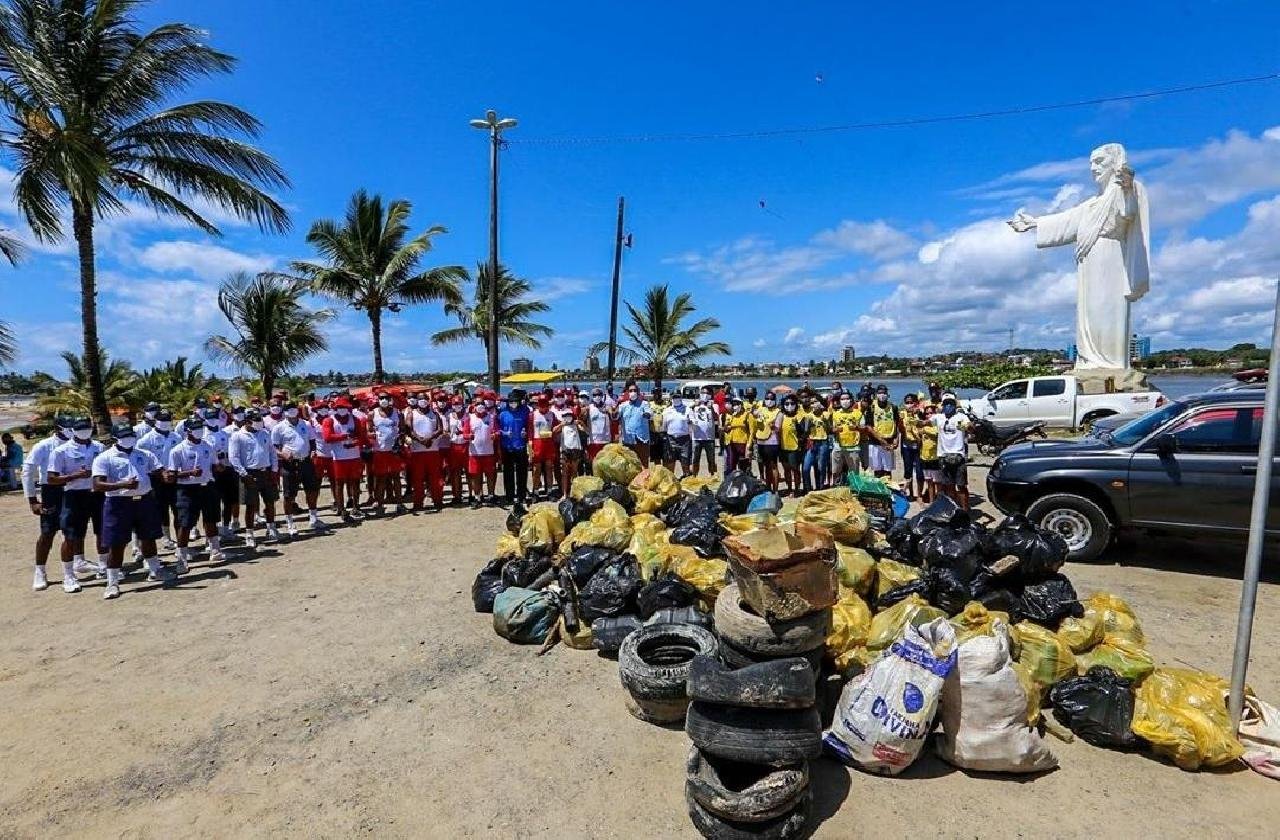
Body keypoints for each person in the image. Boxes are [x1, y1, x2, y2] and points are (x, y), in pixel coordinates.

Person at [93, 422, 171, 598]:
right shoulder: (105, 458)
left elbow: (158, 470)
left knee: (148, 538)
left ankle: (155, 571)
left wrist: (165, 475)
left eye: (130, 436)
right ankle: (112, 582)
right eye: (124, 436)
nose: (128, 439)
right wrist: (122, 485)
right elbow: (97, 484)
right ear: (115, 438)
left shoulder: (144, 454)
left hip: (144, 501)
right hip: (118, 504)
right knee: (117, 543)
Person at [46, 418, 106, 592]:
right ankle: (69, 575)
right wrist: (75, 476)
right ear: (73, 430)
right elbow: (52, 478)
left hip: (97, 494)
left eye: (87, 428)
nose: (85, 431)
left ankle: (103, 567)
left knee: (102, 531)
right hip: (74, 495)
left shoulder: (99, 447)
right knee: (71, 536)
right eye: (80, 429)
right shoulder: (61, 451)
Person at [23, 417, 73, 591]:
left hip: (73, 490)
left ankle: (68, 573)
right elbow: (27, 472)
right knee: (47, 534)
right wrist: (32, 500)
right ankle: (40, 571)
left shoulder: (78, 444)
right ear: (58, 428)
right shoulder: (43, 446)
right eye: (68, 427)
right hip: (51, 491)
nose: (72, 430)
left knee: (71, 534)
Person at [166, 417, 221, 571]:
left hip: (207, 487)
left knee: (211, 518)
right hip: (187, 490)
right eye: (196, 428)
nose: (200, 430)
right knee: (185, 524)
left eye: (201, 428)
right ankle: (182, 557)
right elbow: (171, 475)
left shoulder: (208, 446)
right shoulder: (177, 450)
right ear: (188, 430)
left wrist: (218, 468)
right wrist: (190, 473)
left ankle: (215, 549)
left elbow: (214, 464)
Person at [272, 400, 327, 533]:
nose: (292, 410)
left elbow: (312, 441)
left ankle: (313, 518)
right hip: (289, 464)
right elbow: (273, 448)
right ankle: (290, 523)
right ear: (284, 411)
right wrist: (283, 454)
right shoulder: (279, 428)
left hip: (306, 462)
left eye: (294, 408)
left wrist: (313, 451)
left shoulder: (306, 424)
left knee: (312, 490)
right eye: (289, 408)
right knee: (289, 495)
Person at [229, 409, 280, 548]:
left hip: (266, 472)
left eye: (260, 420)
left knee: (270, 502)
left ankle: (271, 528)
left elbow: (272, 452)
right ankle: (250, 534)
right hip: (249, 474)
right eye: (256, 421)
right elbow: (234, 457)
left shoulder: (264, 433)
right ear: (247, 421)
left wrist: (274, 470)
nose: (259, 423)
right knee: (251, 505)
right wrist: (244, 474)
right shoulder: (238, 436)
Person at [137, 408, 181, 550]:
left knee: (178, 510)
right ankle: (166, 538)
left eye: (168, 420)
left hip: (175, 478)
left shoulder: (176, 437)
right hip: (156, 479)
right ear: (156, 421)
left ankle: (181, 541)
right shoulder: (146, 440)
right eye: (162, 420)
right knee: (161, 510)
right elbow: (141, 461)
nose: (165, 423)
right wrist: (158, 473)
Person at [322, 397, 368, 522]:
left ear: (349, 408)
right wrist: (343, 437)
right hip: (338, 457)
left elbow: (362, 437)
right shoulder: (329, 420)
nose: (342, 410)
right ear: (335, 409)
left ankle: (356, 506)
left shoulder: (355, 420)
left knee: (355, 482)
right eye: (339, 408)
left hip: (354, 455)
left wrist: (354, 443)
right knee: (339, 483)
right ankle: (341, 508)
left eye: (345, 408)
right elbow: (327, 437)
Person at [406, 390, 447, 512]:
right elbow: (409, 429)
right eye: (420, 399)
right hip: (417, 451)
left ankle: (438, 501)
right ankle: (418, 503)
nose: (422, 401)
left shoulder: (435, 414)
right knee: (417, 479)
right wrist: (420, 440)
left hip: (433, 450)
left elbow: (440, 429)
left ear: (428, 401)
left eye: (424, 399)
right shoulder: (411, 414)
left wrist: (431, 438)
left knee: (435, 478)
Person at [203, 407, 240, 541]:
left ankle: (226, 528)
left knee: (229, 501)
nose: (213, 420)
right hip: (212, 472)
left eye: (215, 417)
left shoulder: (224, 433)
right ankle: (214, 531)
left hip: (227, 469)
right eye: (210, 418)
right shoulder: (203, 435)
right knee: (213, 503)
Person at [368, 393, 405, 516]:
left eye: (386, 398)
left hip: (394, 451)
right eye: (381, 398)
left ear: (391, 400)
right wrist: (371, 435)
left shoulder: (397, 413)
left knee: (396, 477)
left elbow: (403, 430)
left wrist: (400, 441)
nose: (384, 400)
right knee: (381, 479)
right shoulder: (372, 414)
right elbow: (368, 431)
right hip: (380, 451)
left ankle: (400, 504)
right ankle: (379, 504)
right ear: (378, 400)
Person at [933, 397, 970, 509]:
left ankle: (965, 510)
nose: (948, 407)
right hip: (944, 457)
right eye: (946, 405)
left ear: (955, 407)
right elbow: (924, 422)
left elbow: (970, 426)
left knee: (961, 485)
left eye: (951, 404)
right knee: (949, 485)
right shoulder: (939, 417)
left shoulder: (961, 417)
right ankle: (954, 509)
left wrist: (967, 426)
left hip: (959, 456)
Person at [462, 400, 499, 508]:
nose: (480, 406)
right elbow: (464, 434)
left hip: (489, 452)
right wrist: (469, 436)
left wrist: (495, 435)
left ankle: (491, 496)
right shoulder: (470, 418)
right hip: (474, 453)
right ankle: (477, 497)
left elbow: (497, 431)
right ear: (474, 406)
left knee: (490, 475)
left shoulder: (491, 417)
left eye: (482, 404)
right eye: (478, 404)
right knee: (476, 476)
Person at [497, 392, 530, 508]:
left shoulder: (525, 411)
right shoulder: (502, 413)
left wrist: (525, 433)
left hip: (520, 446)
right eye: (511, 402)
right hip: (507, 446)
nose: (513, 404)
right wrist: (504, 433)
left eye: (515, 401)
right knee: (508, 473)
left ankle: (521, 495)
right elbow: (497, 429)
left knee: (522, 472)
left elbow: (529, 426)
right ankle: (509, 496)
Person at [866, 385, 900, 479]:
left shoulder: (893, 407)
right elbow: (869, 426)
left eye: (884, 393)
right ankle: (879, 491)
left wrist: (896, 439)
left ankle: (888, 490)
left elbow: (897, 424)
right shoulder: (871, 407)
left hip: (889, 443)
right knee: (877, 470)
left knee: (888, 471)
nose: (882, 395)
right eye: (880, 393)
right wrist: (881, 440)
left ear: (887, 394)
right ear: (876, 394)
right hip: (875, 443)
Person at [528, 395, 559, 500]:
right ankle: (535, 491)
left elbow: (555, 428)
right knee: (536, 469)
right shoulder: (533, 415)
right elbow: (530, 431)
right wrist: (530, 447)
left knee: (549, 468)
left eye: (544, 404)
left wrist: (556, 429)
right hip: (537, 443)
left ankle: (549, 491)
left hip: (549, 442)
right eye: (540, 404)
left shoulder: (552, 415)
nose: (542, 406)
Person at [776, 394, 807, 496]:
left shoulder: (799, 417)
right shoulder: (781, 416)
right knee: (786, 469)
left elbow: (803, 432)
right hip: (783, 447)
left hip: (795, 448)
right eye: (787, 404)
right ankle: (789, 488)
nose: (789, 405)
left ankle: (797, 489)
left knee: (795, 469)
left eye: (792, 403)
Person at [554, 401, 586, 497]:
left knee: (574, 472)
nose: (568, 417)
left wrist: (581, 423)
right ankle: (564, 493)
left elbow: (585, 430)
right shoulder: (562, 425)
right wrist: (561, 425)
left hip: (575, 449)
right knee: (565, 473)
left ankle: (574, 492)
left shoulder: (576, 424)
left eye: (570, 415)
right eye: (566, 415)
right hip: (565, 450)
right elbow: (554, 431)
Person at [830, 391, 862, 485]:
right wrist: (834, 430)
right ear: (839, 401)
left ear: (851, 400)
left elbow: (864, 429)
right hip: (838, 446)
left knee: (854, 472)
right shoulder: (835, 414)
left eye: (847, 399)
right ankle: (836, 487)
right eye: (843, 399)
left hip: (853, 447)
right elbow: (831, 428)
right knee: (836, 470)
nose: (845, 401)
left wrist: (857, 428)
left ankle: (854, 489)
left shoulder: (858, 413)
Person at [752, 392, 781, 492]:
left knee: (773, 465)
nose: (769, 401)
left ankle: (776, 489)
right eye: (767, 398)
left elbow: (778, 429)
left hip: (772, 442)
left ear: (774, 400)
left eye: (771, 399)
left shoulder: (778, 412)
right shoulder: (761, 409)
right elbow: (754, 414)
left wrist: (774, 427)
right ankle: (768, 487)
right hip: (761, 442)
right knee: (766, 465)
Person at [617, 386, 652, 467]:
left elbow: (649, 414)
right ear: (627, 393)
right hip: (627, 440)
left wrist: (647, 414)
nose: (633, 392)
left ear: (638, 392)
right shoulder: (623, 406)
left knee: (644, 463)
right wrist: (614, 408)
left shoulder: (644, 404)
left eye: (635, 390)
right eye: (630, 390)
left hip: (642, 439)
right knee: (629, 465)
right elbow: (616, 416)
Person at [802, 394, 830, 493]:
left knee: (821, 467)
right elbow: (805, 432)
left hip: (823, 442)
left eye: (816, 402)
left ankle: (820, 487)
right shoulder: (808, 416)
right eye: (812, 403)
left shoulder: (826, 414)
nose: (814, 405)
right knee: (806, 467)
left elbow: (829, 429)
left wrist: (825, 420)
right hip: (812, 442)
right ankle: (808, 488)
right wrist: (809, 424)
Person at [661, 393, 693, 477]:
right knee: (670, 462)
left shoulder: (688, 410)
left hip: (684, 439)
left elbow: (693, 423)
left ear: (681, 397)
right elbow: (664, 427)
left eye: (677, 397)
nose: (676, 398)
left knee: (685, 462)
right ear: (671, 398)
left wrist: (691, 422)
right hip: (671, 439)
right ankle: (671, 481)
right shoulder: (666, 411)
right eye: (674, 397)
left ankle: (686, 480)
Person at [899, 394, 924, 501]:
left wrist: (918, 414)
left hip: (918, 446)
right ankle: (911, 493)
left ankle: (919, 495)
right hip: (906, 445)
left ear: (916, 403)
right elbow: (898, 427)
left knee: (919, 472)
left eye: (911, 402)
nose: (909, 405)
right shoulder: (902, 414)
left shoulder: (920, 414)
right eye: (907, 402)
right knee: (908, 470)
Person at [689, 390, 719, 477]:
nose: (704, 395)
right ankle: (694, 476)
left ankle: (713, 475)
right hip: (697, 437)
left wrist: (711, 408)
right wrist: (694, 405)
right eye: (702, 393)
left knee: (711, 459)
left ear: (710, 395)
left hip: (709, 437)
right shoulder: (694, 405)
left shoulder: (714, 405)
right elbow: (689, 417)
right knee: (695, 459)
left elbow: (716, 418)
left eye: (706, 393)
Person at [721, 397, 752, 473]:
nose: (735, 406)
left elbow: (751, 431)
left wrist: (749, 445)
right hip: (732, 444)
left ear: (741, 405)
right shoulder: (732, 416)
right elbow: (726, 429)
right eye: (733, 404)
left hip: (743, 443)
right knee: (731, 466)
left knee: (743, 467)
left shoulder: (747, 415)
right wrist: (726, 427)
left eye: (737, 404)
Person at [918, 403, 940, 504]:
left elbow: (935, 433)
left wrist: (924, 429)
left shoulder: (937, 424)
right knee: (929, 482)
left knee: (937, 482)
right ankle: (932, 502)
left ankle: (940, 502)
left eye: (931, 413)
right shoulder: (924, 425)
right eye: (927, 414)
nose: (929, 415)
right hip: (924, 456)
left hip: (935, 457)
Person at [585, 388, 612, 464]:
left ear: (602, 396)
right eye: (595, 395)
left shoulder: (607, 407)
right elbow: (582, 421)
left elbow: (614, 417)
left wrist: (610, 411)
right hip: (593, 440)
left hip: (606, 440)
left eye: (599, 395)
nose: (597, 396)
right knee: (594, 463)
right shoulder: (589, 408)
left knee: (605, 464)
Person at [648, 387, 667, 467]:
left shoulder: (666, 404)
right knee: (656, 457)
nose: (657, 395)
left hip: (664, 433)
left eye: (659, 394)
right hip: (653, 433)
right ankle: (659, 472)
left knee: (666, 457)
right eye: (655, 394)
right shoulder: (649, 404)